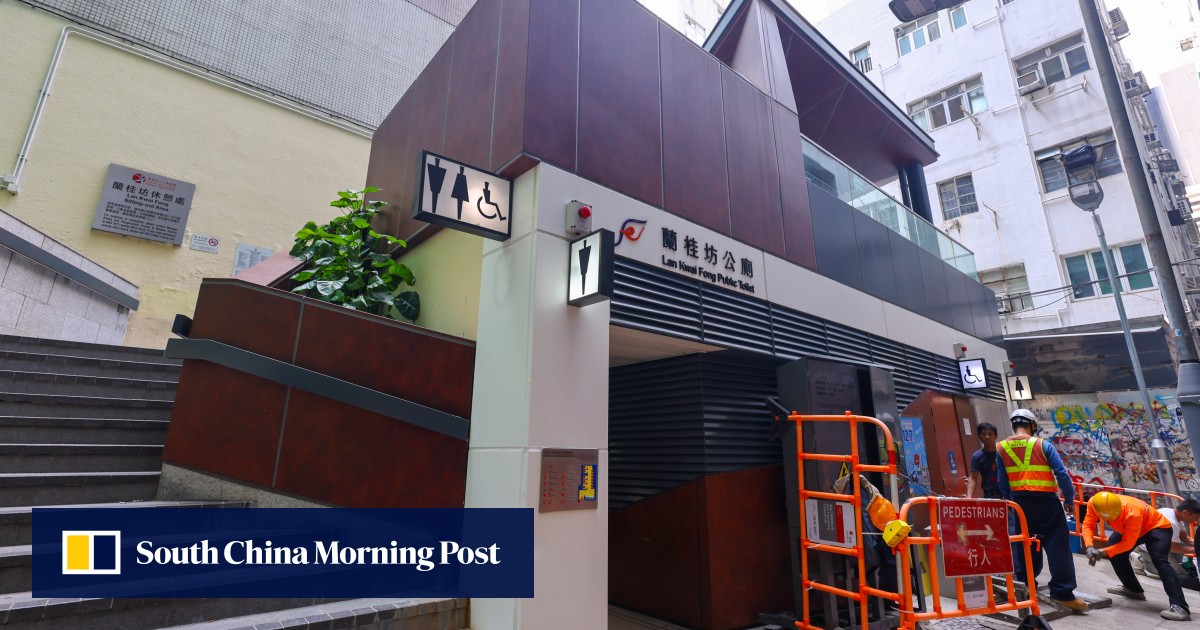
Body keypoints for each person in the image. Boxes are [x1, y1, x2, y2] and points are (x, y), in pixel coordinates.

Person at [996, 409, 1086, 612]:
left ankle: (1025, 585)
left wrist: (1011, 503)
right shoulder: (1042, 445)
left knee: (1024, 546)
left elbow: (1002, 481)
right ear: (1033, 425)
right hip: (1046, 502)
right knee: (1058, 546)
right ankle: (1063, 593)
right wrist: (1069, 499)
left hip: (1019, 503)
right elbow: (1061, 474)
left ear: (1013, 425)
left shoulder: (1000, 448)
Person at [1083, 491, 1191, 621]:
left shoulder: (1132, 512)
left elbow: (1127, 544)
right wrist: (1089, 546)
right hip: (1129, 527)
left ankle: (1180, 607)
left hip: (1156, 527)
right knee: (1116, 554)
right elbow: (1088, 525)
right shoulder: (1095, 503)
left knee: (1160, 561)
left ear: (1119, 509)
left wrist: (1101, 552)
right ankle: (1133, 589)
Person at [967, 422, 1001, 499]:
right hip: (989, 495)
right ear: (979, 437)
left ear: (996, 436)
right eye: (983, 434)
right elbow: (973, 478)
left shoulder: (1003, 452)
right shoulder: (977, 456)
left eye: (990, 434)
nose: (987, 437)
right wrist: (969, 496)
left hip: (1006, 493)